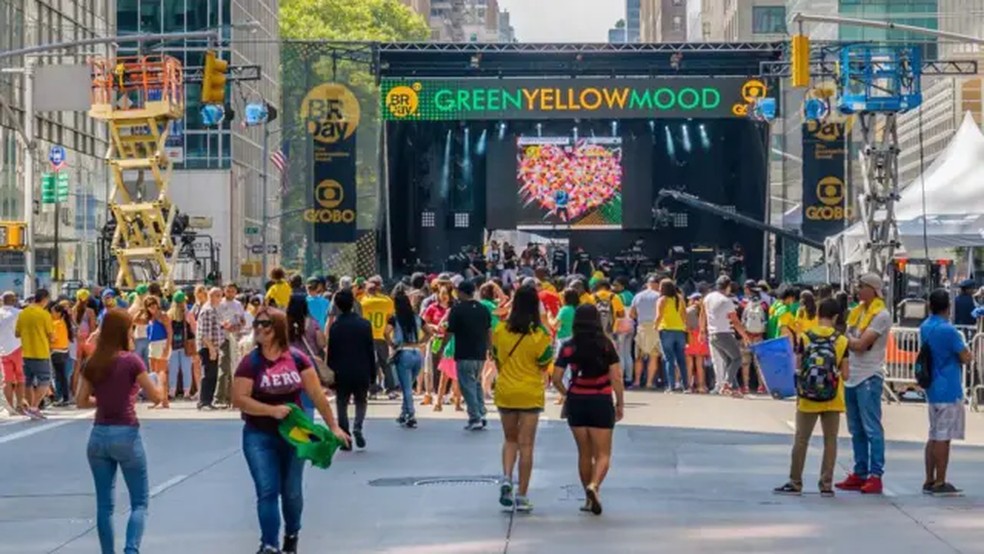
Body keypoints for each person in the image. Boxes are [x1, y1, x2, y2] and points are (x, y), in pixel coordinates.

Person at [232, 307, 349, 554]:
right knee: (267, 490)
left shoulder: (296, 358)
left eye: (265, 324)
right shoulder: (251, 362)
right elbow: (239, 398)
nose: (259, 329)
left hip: (294, 435)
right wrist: (269, 410)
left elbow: (317, 394)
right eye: (257, 324)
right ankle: (269, 544)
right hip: (259, 435)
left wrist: (334, 427)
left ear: (277, 329)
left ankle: (292, 534)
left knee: (292, 491)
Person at [77, 308, 163, 554]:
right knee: (139, 502)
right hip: (126, 433)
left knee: (104, 505)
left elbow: (81, 400)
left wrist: (103, 400)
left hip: (98, 435)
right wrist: (158, 382)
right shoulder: (131, 360)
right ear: (125, 331)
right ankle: (131, 550)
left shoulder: (93, 362)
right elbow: (155, 396)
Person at [552, 304, 624, 515]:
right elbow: (616, 377)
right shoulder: (606, 345)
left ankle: (587, 498)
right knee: (603, 454)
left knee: (584, 453)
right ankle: (595, 485)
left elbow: (556, 378)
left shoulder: (568, 346)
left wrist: (567, 393)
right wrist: (619, 402)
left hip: (577, 402)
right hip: (600, 400)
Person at [774, 298, 848, 497]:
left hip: (807, 397)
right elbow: (846, 373)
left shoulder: (805, 337)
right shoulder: (842, 340)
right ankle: (826, 484)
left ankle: (795, 481)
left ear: (816, 314)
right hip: (833, 397)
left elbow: (798, 366)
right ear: (835, 317)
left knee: (801, 439)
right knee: (830, 441)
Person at [492, 285, 555, 512]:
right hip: (530, 393)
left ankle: (507, 477)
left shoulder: (500, 331)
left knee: (510, 439)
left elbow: (496, 359)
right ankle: (522, 495)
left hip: (505, 391)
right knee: (526, 444)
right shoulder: (540, 335)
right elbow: (544, 363)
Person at [836, 273, 892, 495]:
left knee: (871, 428)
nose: (858, 290)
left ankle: (875, 474)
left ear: (873, 289)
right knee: (855, 429)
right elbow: (852, 340)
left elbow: (860, 344)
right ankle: (860, 472)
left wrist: (840, 339)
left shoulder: (881, 315)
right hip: (853, 375)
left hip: (869, 376)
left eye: (862, 286)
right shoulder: (856, 313)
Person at [920, 289, 973, 496]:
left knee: (933, 433)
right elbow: (965, 356)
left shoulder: (925, 327)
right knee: (944, 436)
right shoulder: (949, 331)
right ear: (947, 307)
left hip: (932, 386)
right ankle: (940, 481)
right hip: (949, 387)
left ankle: (929, 478)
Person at [326, 289, 374, 451]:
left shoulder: (335, 327)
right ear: (353, 303)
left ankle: (345, 436)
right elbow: (370, 350)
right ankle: (358, 427)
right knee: (361, 400)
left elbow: (331, 354)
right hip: (361, 369)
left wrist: (330, 376)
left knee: (342, 402)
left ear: (337, 307)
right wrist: (373, 374)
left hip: (341, 371)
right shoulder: (364, 324)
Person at [446, 279, 492, 431]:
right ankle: (481, 412)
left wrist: (441, 347)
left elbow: (450, 331)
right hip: (480, 353)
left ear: (460, 292)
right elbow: (488, 330)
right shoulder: (483, 309)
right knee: (476, 384)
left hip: (464, 352)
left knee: (467, 386)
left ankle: (475, 417)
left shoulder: (457, 309)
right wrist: (490, 348)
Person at [387, 287, 432, 428]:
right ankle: (403, 413)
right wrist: (421, 343)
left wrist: (392, 344)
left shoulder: (394, 318)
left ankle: (411, 414)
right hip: (416, 353)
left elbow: (385, 332)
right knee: (409, 385)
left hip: (403, 352)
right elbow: (429, 332)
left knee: (406, 387)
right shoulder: (417, 318)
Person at [701, 276, 750, 396]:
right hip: (724, 333)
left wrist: (702, 331)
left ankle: (734, 389)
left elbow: (702, 314)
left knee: (729, 360)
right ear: (728, 287)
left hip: (712, 334)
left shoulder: (708, 297)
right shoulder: (726, 301)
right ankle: (726, 384)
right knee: (737, 358)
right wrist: (744, 334)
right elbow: (735, 321)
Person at [15, 289, 54, 419]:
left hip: (26, 352)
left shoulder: (23, 313)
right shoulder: (44, 315)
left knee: (28, 381)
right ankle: (34, 406)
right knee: (45, 380)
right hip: (41, 352)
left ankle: (30, 407)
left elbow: (17, 333)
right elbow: (51, 336)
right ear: (44, 299)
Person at [287, 294, 326, 417]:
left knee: (289, 397)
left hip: (288, 363)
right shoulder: (313, 323)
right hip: (308, 364)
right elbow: (322, 343)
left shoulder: (284, 323)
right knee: (309, 399)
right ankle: (308, 427)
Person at [360, 280, 396, 397]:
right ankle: (390, 390)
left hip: (367, 337)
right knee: (385, 363)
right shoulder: (387, 301)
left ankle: (372, 390)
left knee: (370, 364)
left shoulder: (362, 302)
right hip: (382, 336)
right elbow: (390, 318)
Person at [654, 279, 687, 392]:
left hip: (666, 330)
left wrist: (655, 327)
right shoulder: (680, 298)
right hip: (680, 330)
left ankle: (671, 386)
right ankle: (686, 386)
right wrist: (684, 327)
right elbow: (684, 315)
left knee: (669, 359)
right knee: (681, 359)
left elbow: (659, 316)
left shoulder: (662, 300)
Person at [217, 283, 247, 408]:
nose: (230, 293)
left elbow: (243, 320)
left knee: (235, 367)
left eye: (233, 291)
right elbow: (217, 320)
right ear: (225, 291)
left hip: (235, 338)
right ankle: (220, 397)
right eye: (228, 291)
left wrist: (239, 324)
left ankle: (232, 397)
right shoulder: (220, 304)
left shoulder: (238, 305)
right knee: (224, 367)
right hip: (223, 338)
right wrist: (224, 325)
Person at [630, 276, 661, 388]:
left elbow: (632, 314)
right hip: (654, 328)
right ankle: (649, 382)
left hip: (641, 327)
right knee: (654, 356)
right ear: (657, 284)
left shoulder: (638, 296)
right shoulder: (659, 296)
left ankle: (637, 381)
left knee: (639, 357)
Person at [196, 288, 224, 411]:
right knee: (208, 374)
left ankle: (208, 401)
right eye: (217, 295)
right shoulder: (207, 310)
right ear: (211, 296)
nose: (220, 298)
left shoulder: (214, 310)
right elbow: (204, 333)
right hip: (207, 347)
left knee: (213, 374)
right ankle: (204, 402)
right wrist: (212, 349)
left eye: (220, 295)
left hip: (213, 347)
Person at [143, 296, 171, 409]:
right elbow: (134, 320)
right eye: (149, 305)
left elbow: (170, 332)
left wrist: (167, 347)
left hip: (162, 343)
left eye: (154, 304)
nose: (153, 307)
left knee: (162, 372)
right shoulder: (149, 318)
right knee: (154, 373)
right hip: (152, 344)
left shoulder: (163, 316)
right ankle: (157, 398)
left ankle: (164, 400)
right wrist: (141, 310)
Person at [166, 291, 195, 400]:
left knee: (173, 369)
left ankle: (172, 392)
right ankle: (186, 392)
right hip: (185, 344)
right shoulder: (187, 314)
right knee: (186, 369)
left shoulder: (169, 314)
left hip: (172, 344)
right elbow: (193, 328)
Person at [0, 292, 23, 414]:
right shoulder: (19, 313)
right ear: (14, 300)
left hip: (2, 350)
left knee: (7, 380)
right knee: (20, 378)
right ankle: (20, 405)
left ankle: (10, 407)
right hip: (18, 347)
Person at [50, 302, 74, 406]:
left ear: (59, 313)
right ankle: (65, 397)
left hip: (56, 351)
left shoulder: (56, 324)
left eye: (53, 312)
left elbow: (54, 338)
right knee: (62, 375)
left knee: (59, 376)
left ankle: (61, 397)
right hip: (64, 350)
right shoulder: (64, 323)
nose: (51, 314)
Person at [684, 292, 709, 393]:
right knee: (700, 364)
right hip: (701, 337)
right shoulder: (705, 311)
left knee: (689, 364)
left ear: (693, 300)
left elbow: (684, 326)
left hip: (690, 337)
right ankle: (701, 386)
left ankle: (689, 386)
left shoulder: (688, 311)